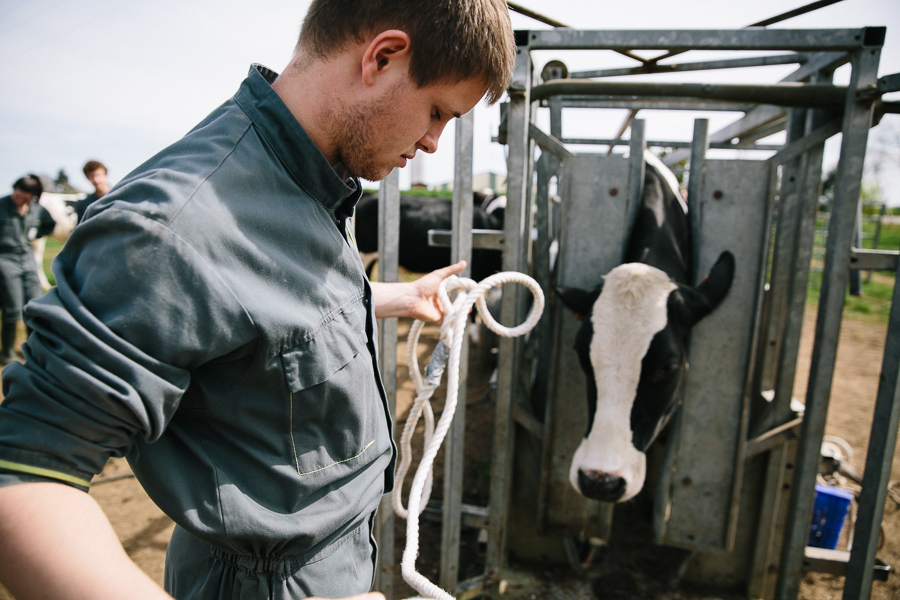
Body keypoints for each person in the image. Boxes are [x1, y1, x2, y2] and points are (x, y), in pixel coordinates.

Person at [0, 1, 515, 599]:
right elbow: (24, 481)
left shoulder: (310, 174)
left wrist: (395, 296)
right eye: (437, 112)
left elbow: (259, 311)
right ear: (383, 56)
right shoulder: (172, 226)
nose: (432, 142)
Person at [0, 175, 56, 364]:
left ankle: (32, 348)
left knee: (33, 306)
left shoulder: (37, 209)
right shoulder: (2, 205)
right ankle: (7, 352)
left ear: (31, 196)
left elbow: (50, 225)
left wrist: (36, 234)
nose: (18, 199)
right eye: (16, 195)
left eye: (23, 197)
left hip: (27, 258)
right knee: (13, 309)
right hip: (5, 259)